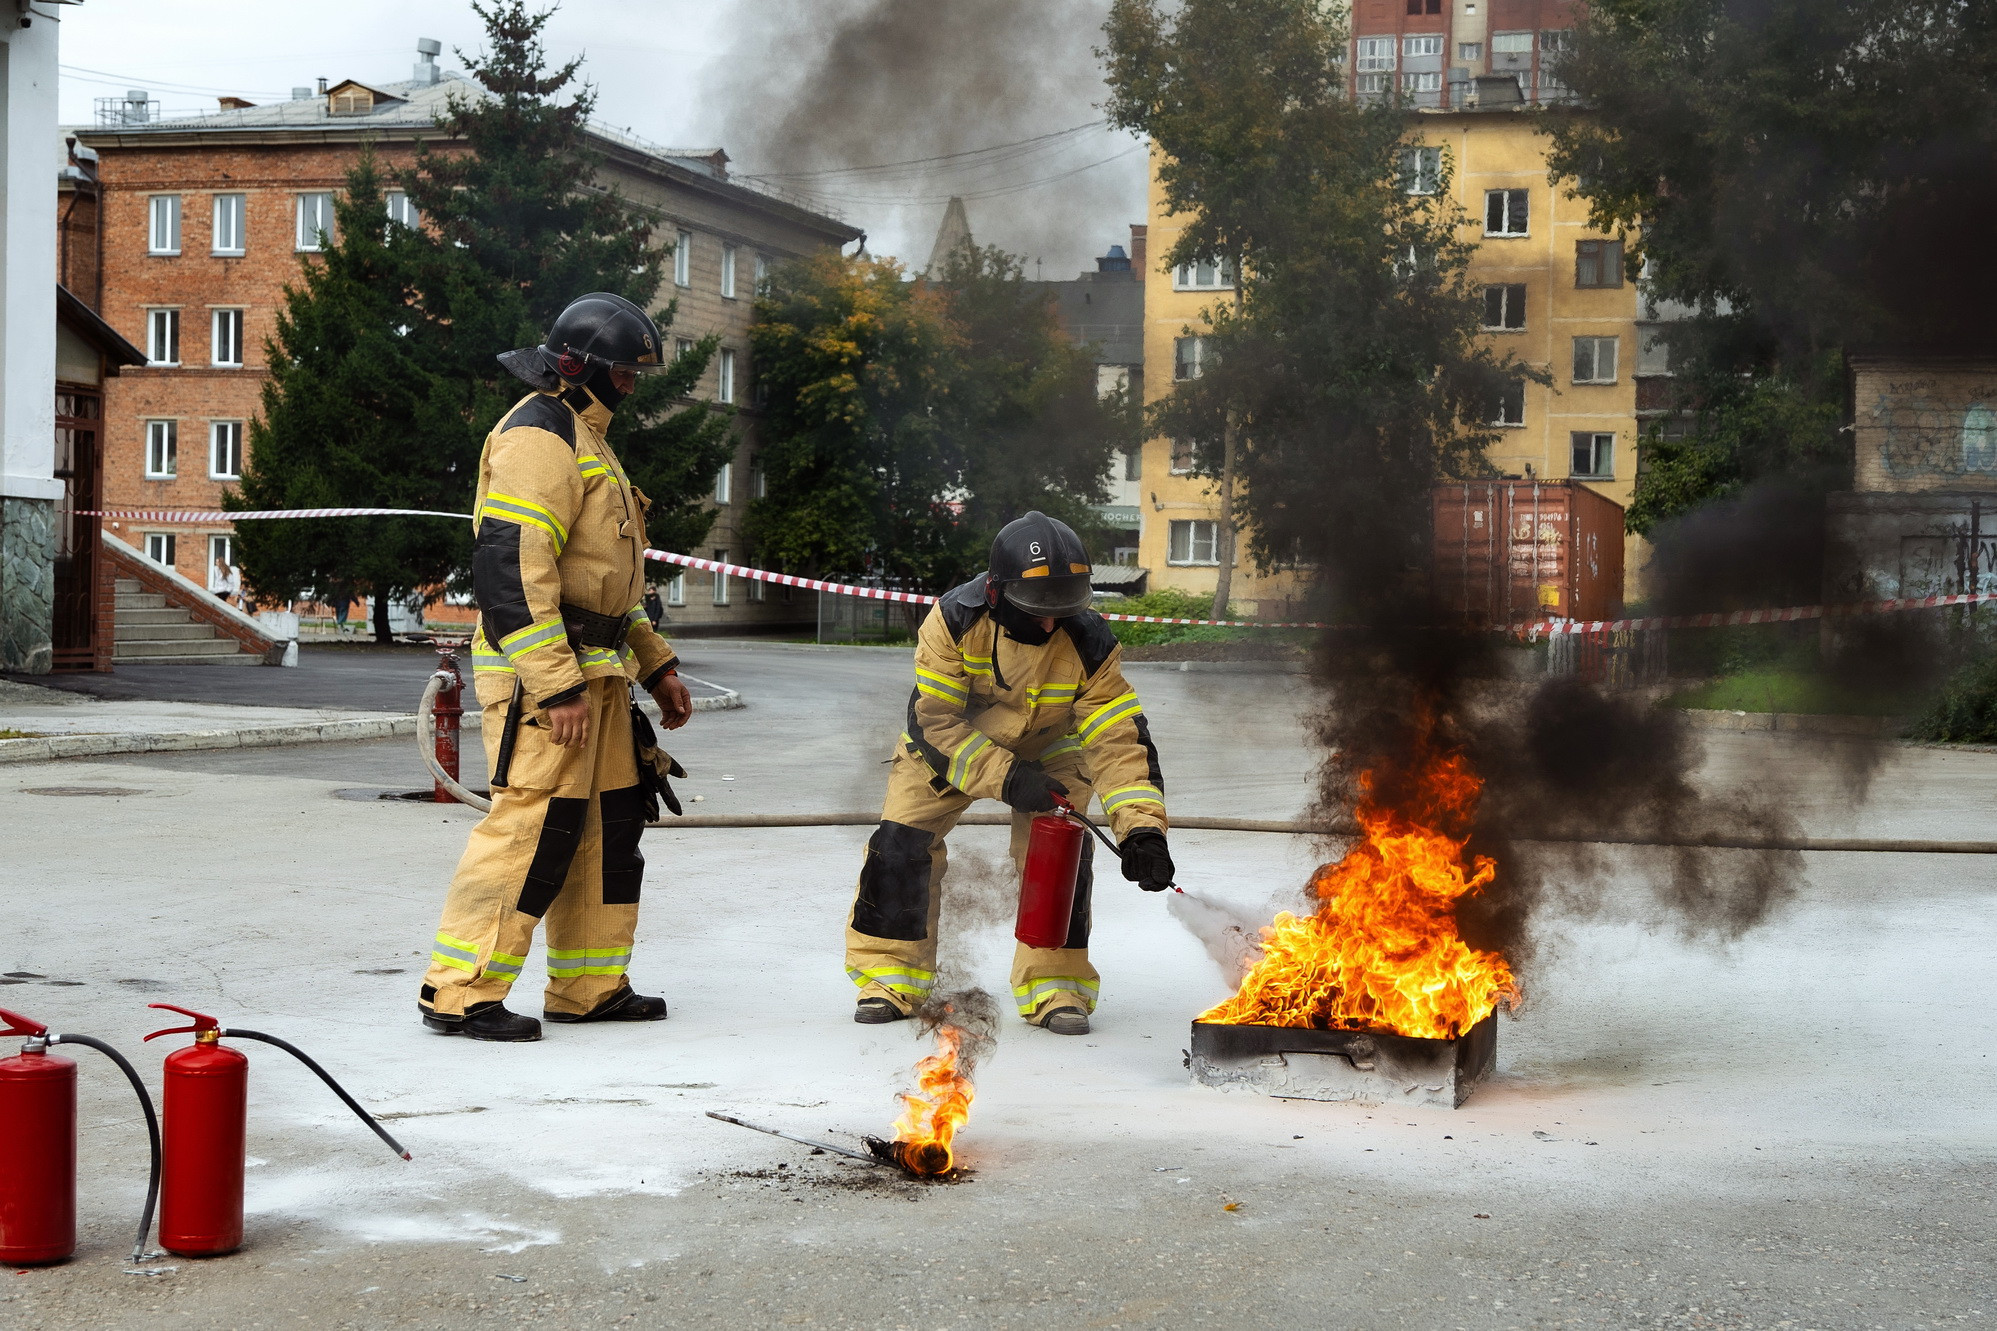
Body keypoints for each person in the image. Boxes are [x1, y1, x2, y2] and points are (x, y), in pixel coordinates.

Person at [418, 292, 694, 1043]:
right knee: (531, 826)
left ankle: (589, 985)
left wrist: (656, 665)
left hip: (595, 672)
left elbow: (607, 580)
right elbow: (513, 570)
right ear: (577, 367)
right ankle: (460, 990)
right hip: (551, 674)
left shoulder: (587, 436)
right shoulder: (539, 436)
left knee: (604, 827)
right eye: (625, 375)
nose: (631, 389)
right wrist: (555, 682)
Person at [844, 512, 1176, 1036]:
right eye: (1038, 610)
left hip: (1052, 750)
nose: (1050, 624)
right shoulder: (953, 620)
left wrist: (1142, 830)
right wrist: (1007, 777)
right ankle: (889, 976)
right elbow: (936, 722)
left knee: (1060, 855)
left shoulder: (1090, 641)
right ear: (996, 595)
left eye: (1062, 610)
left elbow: (1117, 740)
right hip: (952, 748)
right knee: (901, 843)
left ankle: (1053, 985)